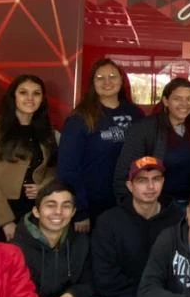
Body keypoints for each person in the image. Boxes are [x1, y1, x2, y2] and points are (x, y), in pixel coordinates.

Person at [91, 156, 185, 297]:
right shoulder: (109, 221)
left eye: (156, 179)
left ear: (163, 182)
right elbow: (105, 277)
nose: (150, 186)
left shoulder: (178, 219)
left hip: (163, 294)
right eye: (142, 180)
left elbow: (184, 266)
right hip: (123, 295)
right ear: (129, 185)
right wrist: (145, 296)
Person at [57, 58, 143, 233]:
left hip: (130, 203)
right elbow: (67, 169)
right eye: (100, 77)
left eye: (112, 76)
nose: (107, 82)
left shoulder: (136, 114)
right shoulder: (80, 118)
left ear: (122, 80)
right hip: (93, 207)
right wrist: (80, 210)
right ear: (92, 83)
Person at [0, 74, 56, 241]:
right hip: (0, 211)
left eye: (36, 93)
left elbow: (54, 168)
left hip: (35, 211)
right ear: (13, 97)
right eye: (23, 92)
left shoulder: (47, 131)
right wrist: (6, 221)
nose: (30, 98)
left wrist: (44, 186)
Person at [113, 77, 190, 207]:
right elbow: (124, 173)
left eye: (189, 99)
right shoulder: (145, 128)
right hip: (155, 205)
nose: (184, 104)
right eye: (177, 99)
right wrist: (130, 208)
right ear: (165, 101)